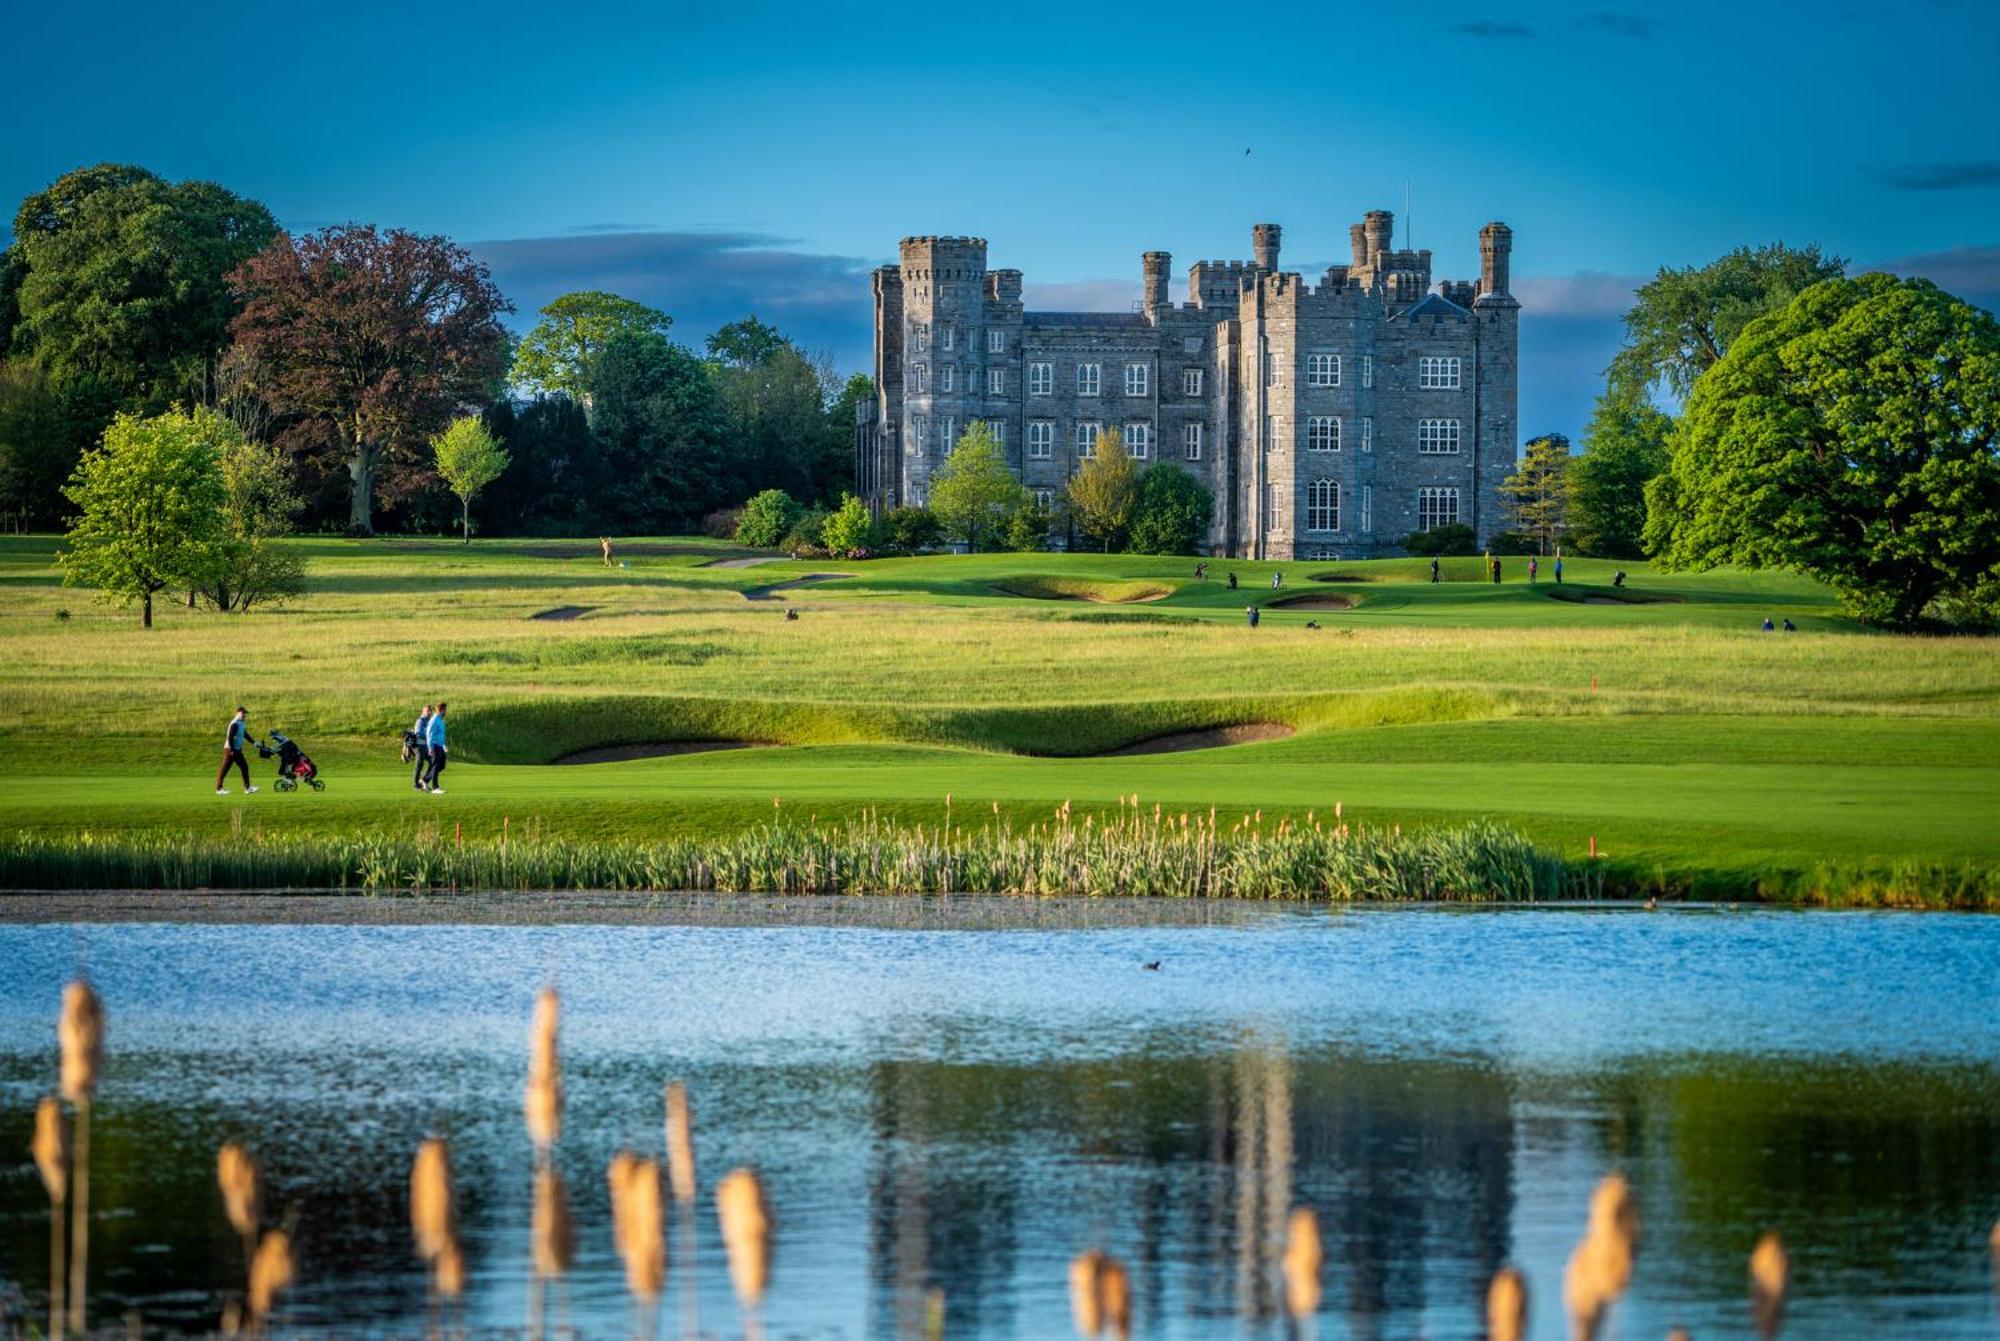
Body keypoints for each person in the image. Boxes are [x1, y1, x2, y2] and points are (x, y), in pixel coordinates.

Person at [216, 706, 258, 795]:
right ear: (238, 713)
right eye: (242, 713)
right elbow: (230, 737)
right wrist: (232, 749)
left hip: (237, 750)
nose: (244, 715)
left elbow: (245, 734)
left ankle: (248, 788)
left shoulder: (241, 723)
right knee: (225, 769)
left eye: (245, 714)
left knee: (244, 767)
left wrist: (254, 743)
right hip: (230, 750)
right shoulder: (235, 723)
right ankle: (219, 789)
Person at [424, 701, 449, 793]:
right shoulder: (434, 719)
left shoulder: (440, 720)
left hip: (440, 745)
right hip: (434, 745)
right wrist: (430, 748)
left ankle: (425, 780)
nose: (446, 712)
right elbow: (429, 734)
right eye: (445, 710)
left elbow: (441, 735)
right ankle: (435, 787)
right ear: (441, 710)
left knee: (442, 766)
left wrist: (444, 745)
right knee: (435, 765)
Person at [411, 703, 434, 791]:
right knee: (419, 765)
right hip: (419, 746)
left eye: (430, 711)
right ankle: (416, 785)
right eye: (428, 711)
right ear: (423, 711)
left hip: (427, 746)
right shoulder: (420, 721)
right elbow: (418, 733)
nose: (429, 712)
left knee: (433, 762)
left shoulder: (430, 721)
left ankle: (424, 780)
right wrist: (428, 734)